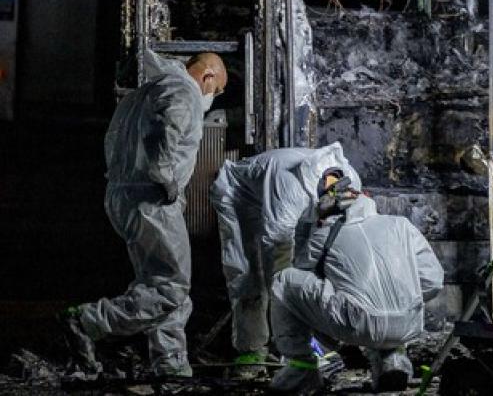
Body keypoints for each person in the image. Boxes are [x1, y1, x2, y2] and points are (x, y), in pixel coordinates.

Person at [61, 51, 227, 377]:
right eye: (216, 89)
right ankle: (88, 321)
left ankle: (171, 366)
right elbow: (165, 134)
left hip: (124, 194)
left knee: (163, 285)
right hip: (152, 200)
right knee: (171, 288)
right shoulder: (183, 90)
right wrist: (166, 181)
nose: (213, 97)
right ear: (207, 76)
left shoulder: (145, 92)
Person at [268, 188, 443, 394]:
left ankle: (302, 369)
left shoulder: (324, 235)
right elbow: (433, 281)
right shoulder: (402, 225)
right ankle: (392, 360)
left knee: (283, 281)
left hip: (355, 324)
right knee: (384, 298)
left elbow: (302, 284)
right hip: (408, 325)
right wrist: (402, 301)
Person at [210, 143, 361, 377]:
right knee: (250, 274)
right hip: (240, 196)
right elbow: (279, 269)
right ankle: (252, 350)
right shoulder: (289, 191)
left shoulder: (351, 181)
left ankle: (300, 341)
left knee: (305, 271)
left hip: (286, 202)